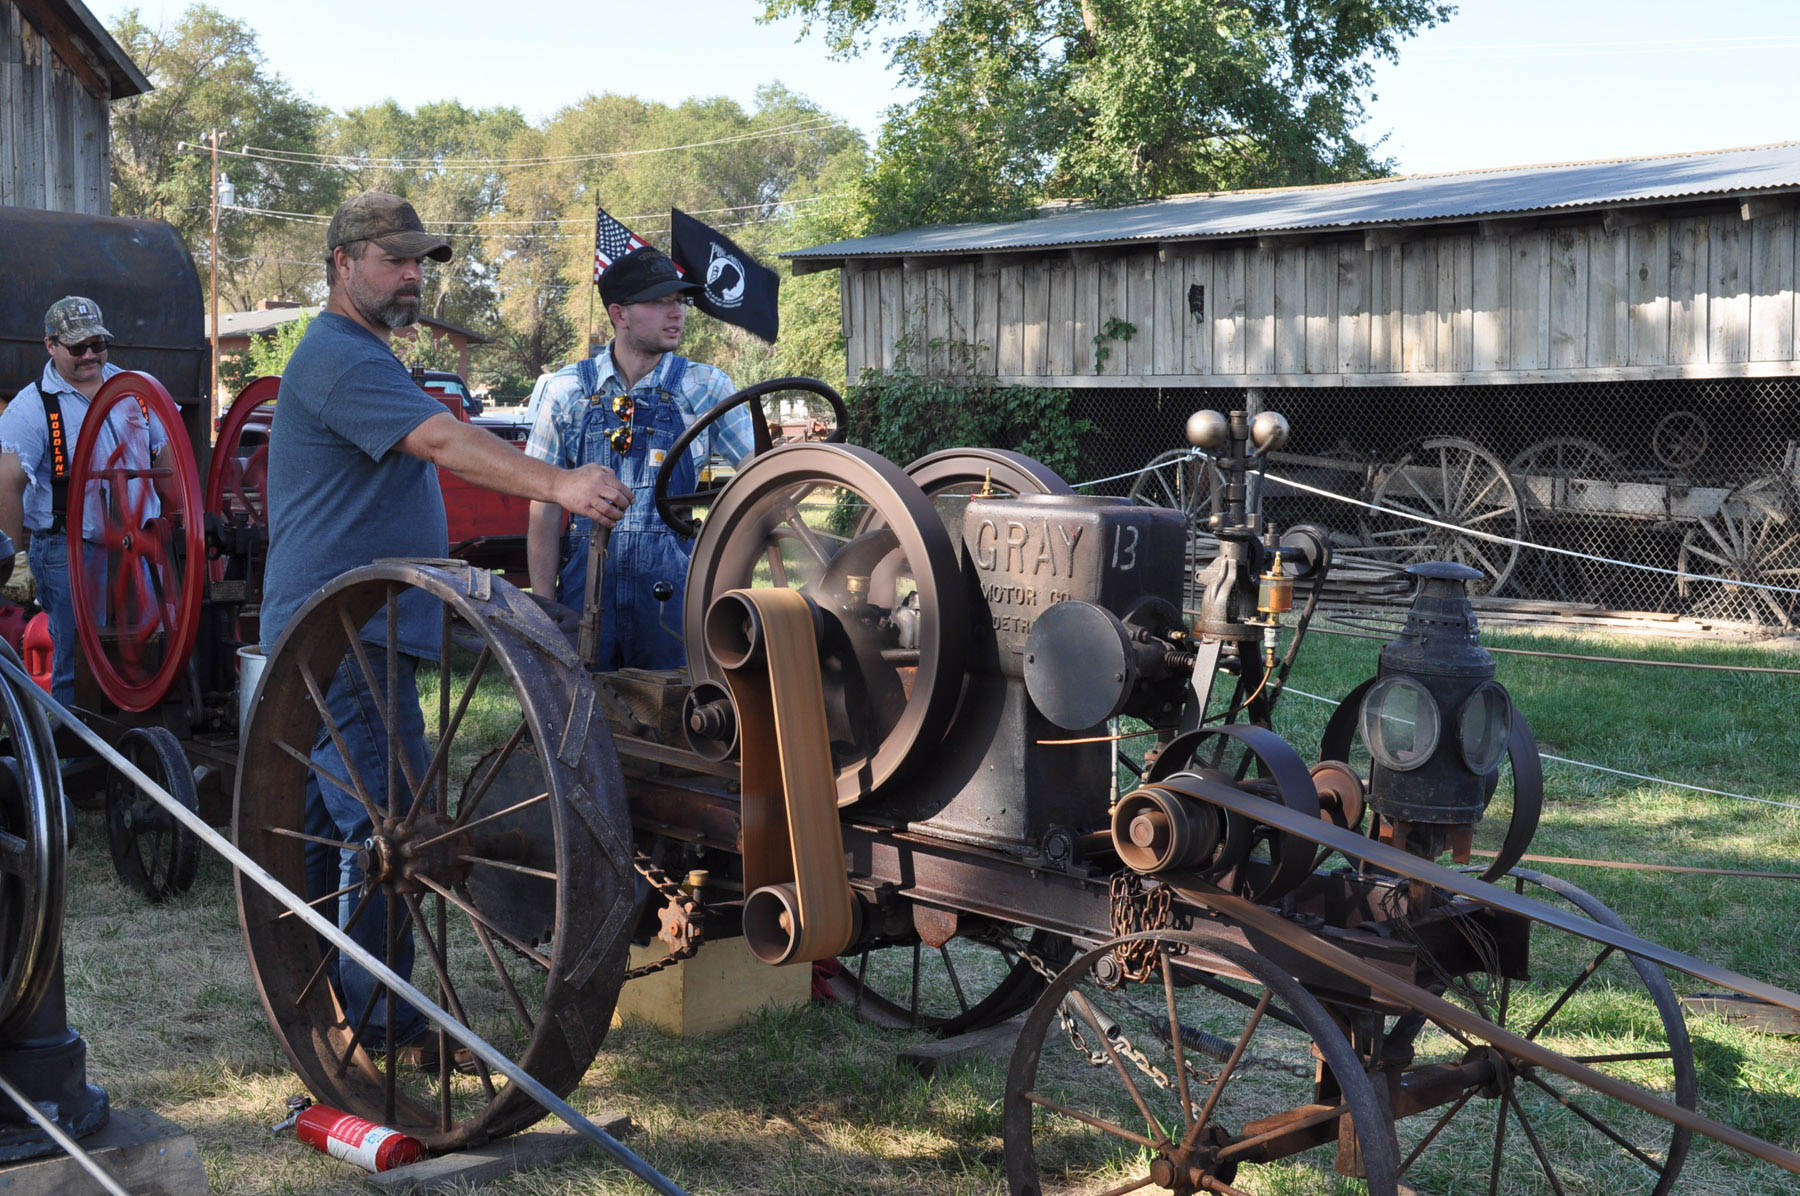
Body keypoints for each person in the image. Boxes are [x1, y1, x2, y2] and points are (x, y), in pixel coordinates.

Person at [260, 192, 631, 1055]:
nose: (411, 278)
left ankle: (325, 996)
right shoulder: (339, 356)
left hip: (347, 625)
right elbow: (441, 441)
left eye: (418, 263)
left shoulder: (364, 355)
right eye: (393, 261)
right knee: (396, 828)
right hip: (345, 632)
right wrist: (561, 485)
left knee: (325, 823)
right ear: (342, 263)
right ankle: (381, 1021)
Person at [525, 246, 753, 670]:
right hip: (586, 591)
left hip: (672, 597)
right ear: (619, 313)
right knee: (583, 716)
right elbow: (543, 504)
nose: (677, 313)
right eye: (659, 301)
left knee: (677, 715)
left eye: (679, 301)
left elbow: (760, 475)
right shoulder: (567, 390)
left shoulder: (706, 387)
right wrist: (545, 607)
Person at [0, 297, 165, 704]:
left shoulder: (135, 391)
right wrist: (16, 558)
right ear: (50, 346)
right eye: (77, 347)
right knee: (79, 665)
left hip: (138, 548)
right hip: (66, 549)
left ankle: (132, 747)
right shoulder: (32, 407)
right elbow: (7, 483)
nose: (90, 355)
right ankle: (78, 758)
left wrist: (182, 527)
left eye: (97, 343)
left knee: (147, 654)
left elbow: (167, 455)